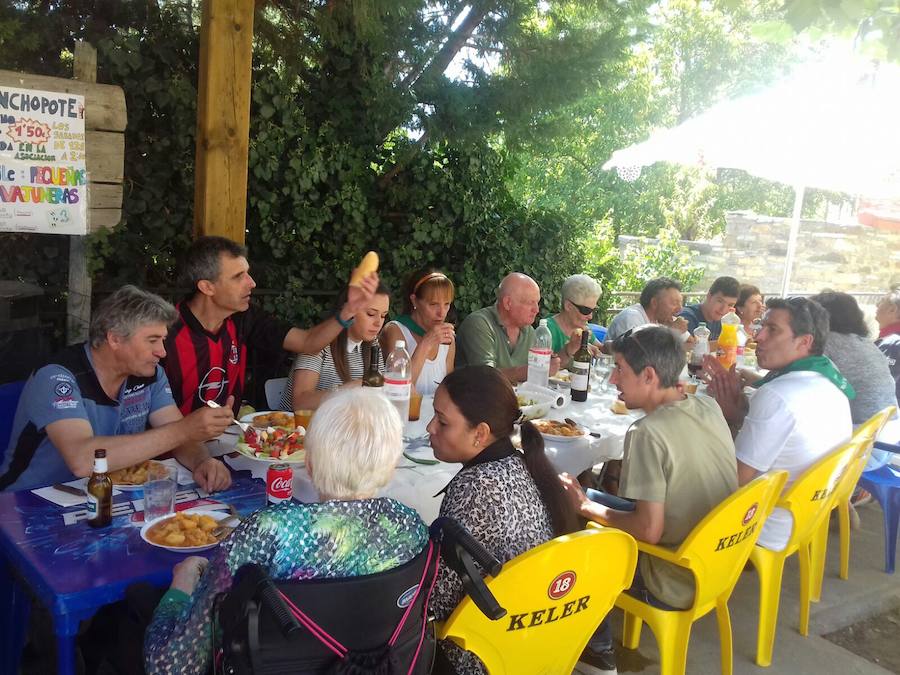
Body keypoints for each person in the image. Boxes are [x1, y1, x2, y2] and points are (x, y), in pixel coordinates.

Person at [143, 387, 428, 675]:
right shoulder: (410, 528)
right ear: (392, 467)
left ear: (309, 465)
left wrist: (181, 585)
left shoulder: (266, 533)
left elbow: (171, 665)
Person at [559, 326, 737, 675]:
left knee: (567, 522)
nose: (613, 379)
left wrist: (582, 505)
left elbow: (648, 530)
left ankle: (597, 651)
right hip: (717, 563)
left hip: (673, 577)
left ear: (650, 376)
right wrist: (585, 499)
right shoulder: (707, 405)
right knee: (585, 498)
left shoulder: (647, 432)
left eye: (620, 369)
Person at [0, 286, 233, 493]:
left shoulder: (150, 374)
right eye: (152, 340)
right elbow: (82, 460)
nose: (162, 352)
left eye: (163, 340)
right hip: (26, 503)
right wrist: (186, 429)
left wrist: (202, 461)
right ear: (114, 339)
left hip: (104, 497)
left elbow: (177, 434)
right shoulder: (57, 377)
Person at [427, 365, 579, 674]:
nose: (430, 428)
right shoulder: (524, 463)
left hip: (482, 655)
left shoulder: (474, 489)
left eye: (442, 422)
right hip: (535, 638)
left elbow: (436, 602)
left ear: (480, 433)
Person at [163, 236, 379, 416]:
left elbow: (308, 343)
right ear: (207, 287)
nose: (252, 283)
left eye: (247, 273)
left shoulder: (244, 317)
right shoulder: (164, 333)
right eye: (238, 277)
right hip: (175, 449)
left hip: (230, 439)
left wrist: (348, 310)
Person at [705, 297, 853, 551]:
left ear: (804, 341)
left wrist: (725, 420)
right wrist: (738, 415)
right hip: (806, 516)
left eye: (772, 330)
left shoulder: (777, 396)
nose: (758, 336)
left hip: (761, 527)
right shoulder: (829, 381)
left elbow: (733, 481)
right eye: (762, 326)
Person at [811, 291, 899, 471]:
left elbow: (796, 385)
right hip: (887, 441)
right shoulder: (865, 343)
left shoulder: (826, 342)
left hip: (862, 447)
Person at [280, 283, 390, 410]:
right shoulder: (318, 341)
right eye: (370, 314)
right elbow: (300, 403)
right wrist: (352, 388)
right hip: (295, 422)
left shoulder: (373, 344)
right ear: (348, 310)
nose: (378, 323)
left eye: (383, 316)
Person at [455, 273, 560, 382]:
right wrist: (533, 370)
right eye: (530, 303)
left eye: (537, 303)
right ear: (508, 303)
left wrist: (550, 362)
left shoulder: (529, 331)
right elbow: (486, 377)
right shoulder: (479, 324)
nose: (536, 310)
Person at [381, 269, 456, 395]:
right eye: (433, 304)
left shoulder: (447, 339)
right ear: (414, 301)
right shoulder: (395, 331)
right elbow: (398, 389)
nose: (442, 313)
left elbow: (449, 391)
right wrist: (425, 345)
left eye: (447, 304)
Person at [607, 277, 689, 341]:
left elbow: (691, 342)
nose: (680, 309)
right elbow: (635, 353)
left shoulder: (659, 319)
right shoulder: (631, 317)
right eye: (674, 303)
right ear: (654, 303)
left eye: (680, 303)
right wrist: (670, 332)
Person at [546, 274, 603, 361]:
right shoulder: (548, 330)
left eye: (593, 310)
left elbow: (600, 349)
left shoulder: (583, 328)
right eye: (586, 310)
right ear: (568, 306)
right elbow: (544, 365)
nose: (590, 316)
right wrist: (570, 349)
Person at [678, 275, 740, 341]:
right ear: (709, 296)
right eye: (720, 301)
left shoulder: (725, 322)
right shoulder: (687, 317)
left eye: (730, 305)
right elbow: (689, 346)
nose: (723, 309)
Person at [875, 288, 900, 404]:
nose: (877, 305)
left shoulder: (895, 344)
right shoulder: (887, 340)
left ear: (892, 310)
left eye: (882, 301)